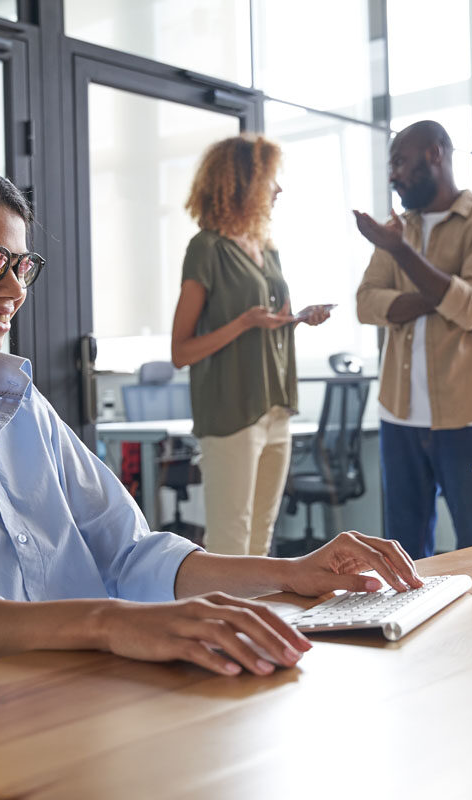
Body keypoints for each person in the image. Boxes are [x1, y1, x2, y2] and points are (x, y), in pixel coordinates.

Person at [0, 149, 420, 686]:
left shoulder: (17, 402)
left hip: (98, 692)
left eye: (22, 265)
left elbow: (129, 552)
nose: (15, 289)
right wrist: (112, 622)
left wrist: (291, 571)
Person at [354, 121, 472, 560]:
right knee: (403, 553)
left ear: (434, 155)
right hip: (399, 413)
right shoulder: (397, 228)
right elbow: (366, 304)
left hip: (468, 412)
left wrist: (402, 254)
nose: (393, 176)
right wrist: (442, 296)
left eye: (400, 163)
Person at [171, 134, 330, 556]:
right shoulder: (206, 249)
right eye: (270, 180)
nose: (278, 190)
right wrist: (243, 323)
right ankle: (222, 623)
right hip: (231, 410)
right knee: (230, 540)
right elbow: (180, 351)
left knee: (262, 536)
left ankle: (257, 621)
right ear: (241, 183)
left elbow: (274, 322)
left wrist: (299, 319)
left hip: (275, 405)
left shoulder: (267, 250)